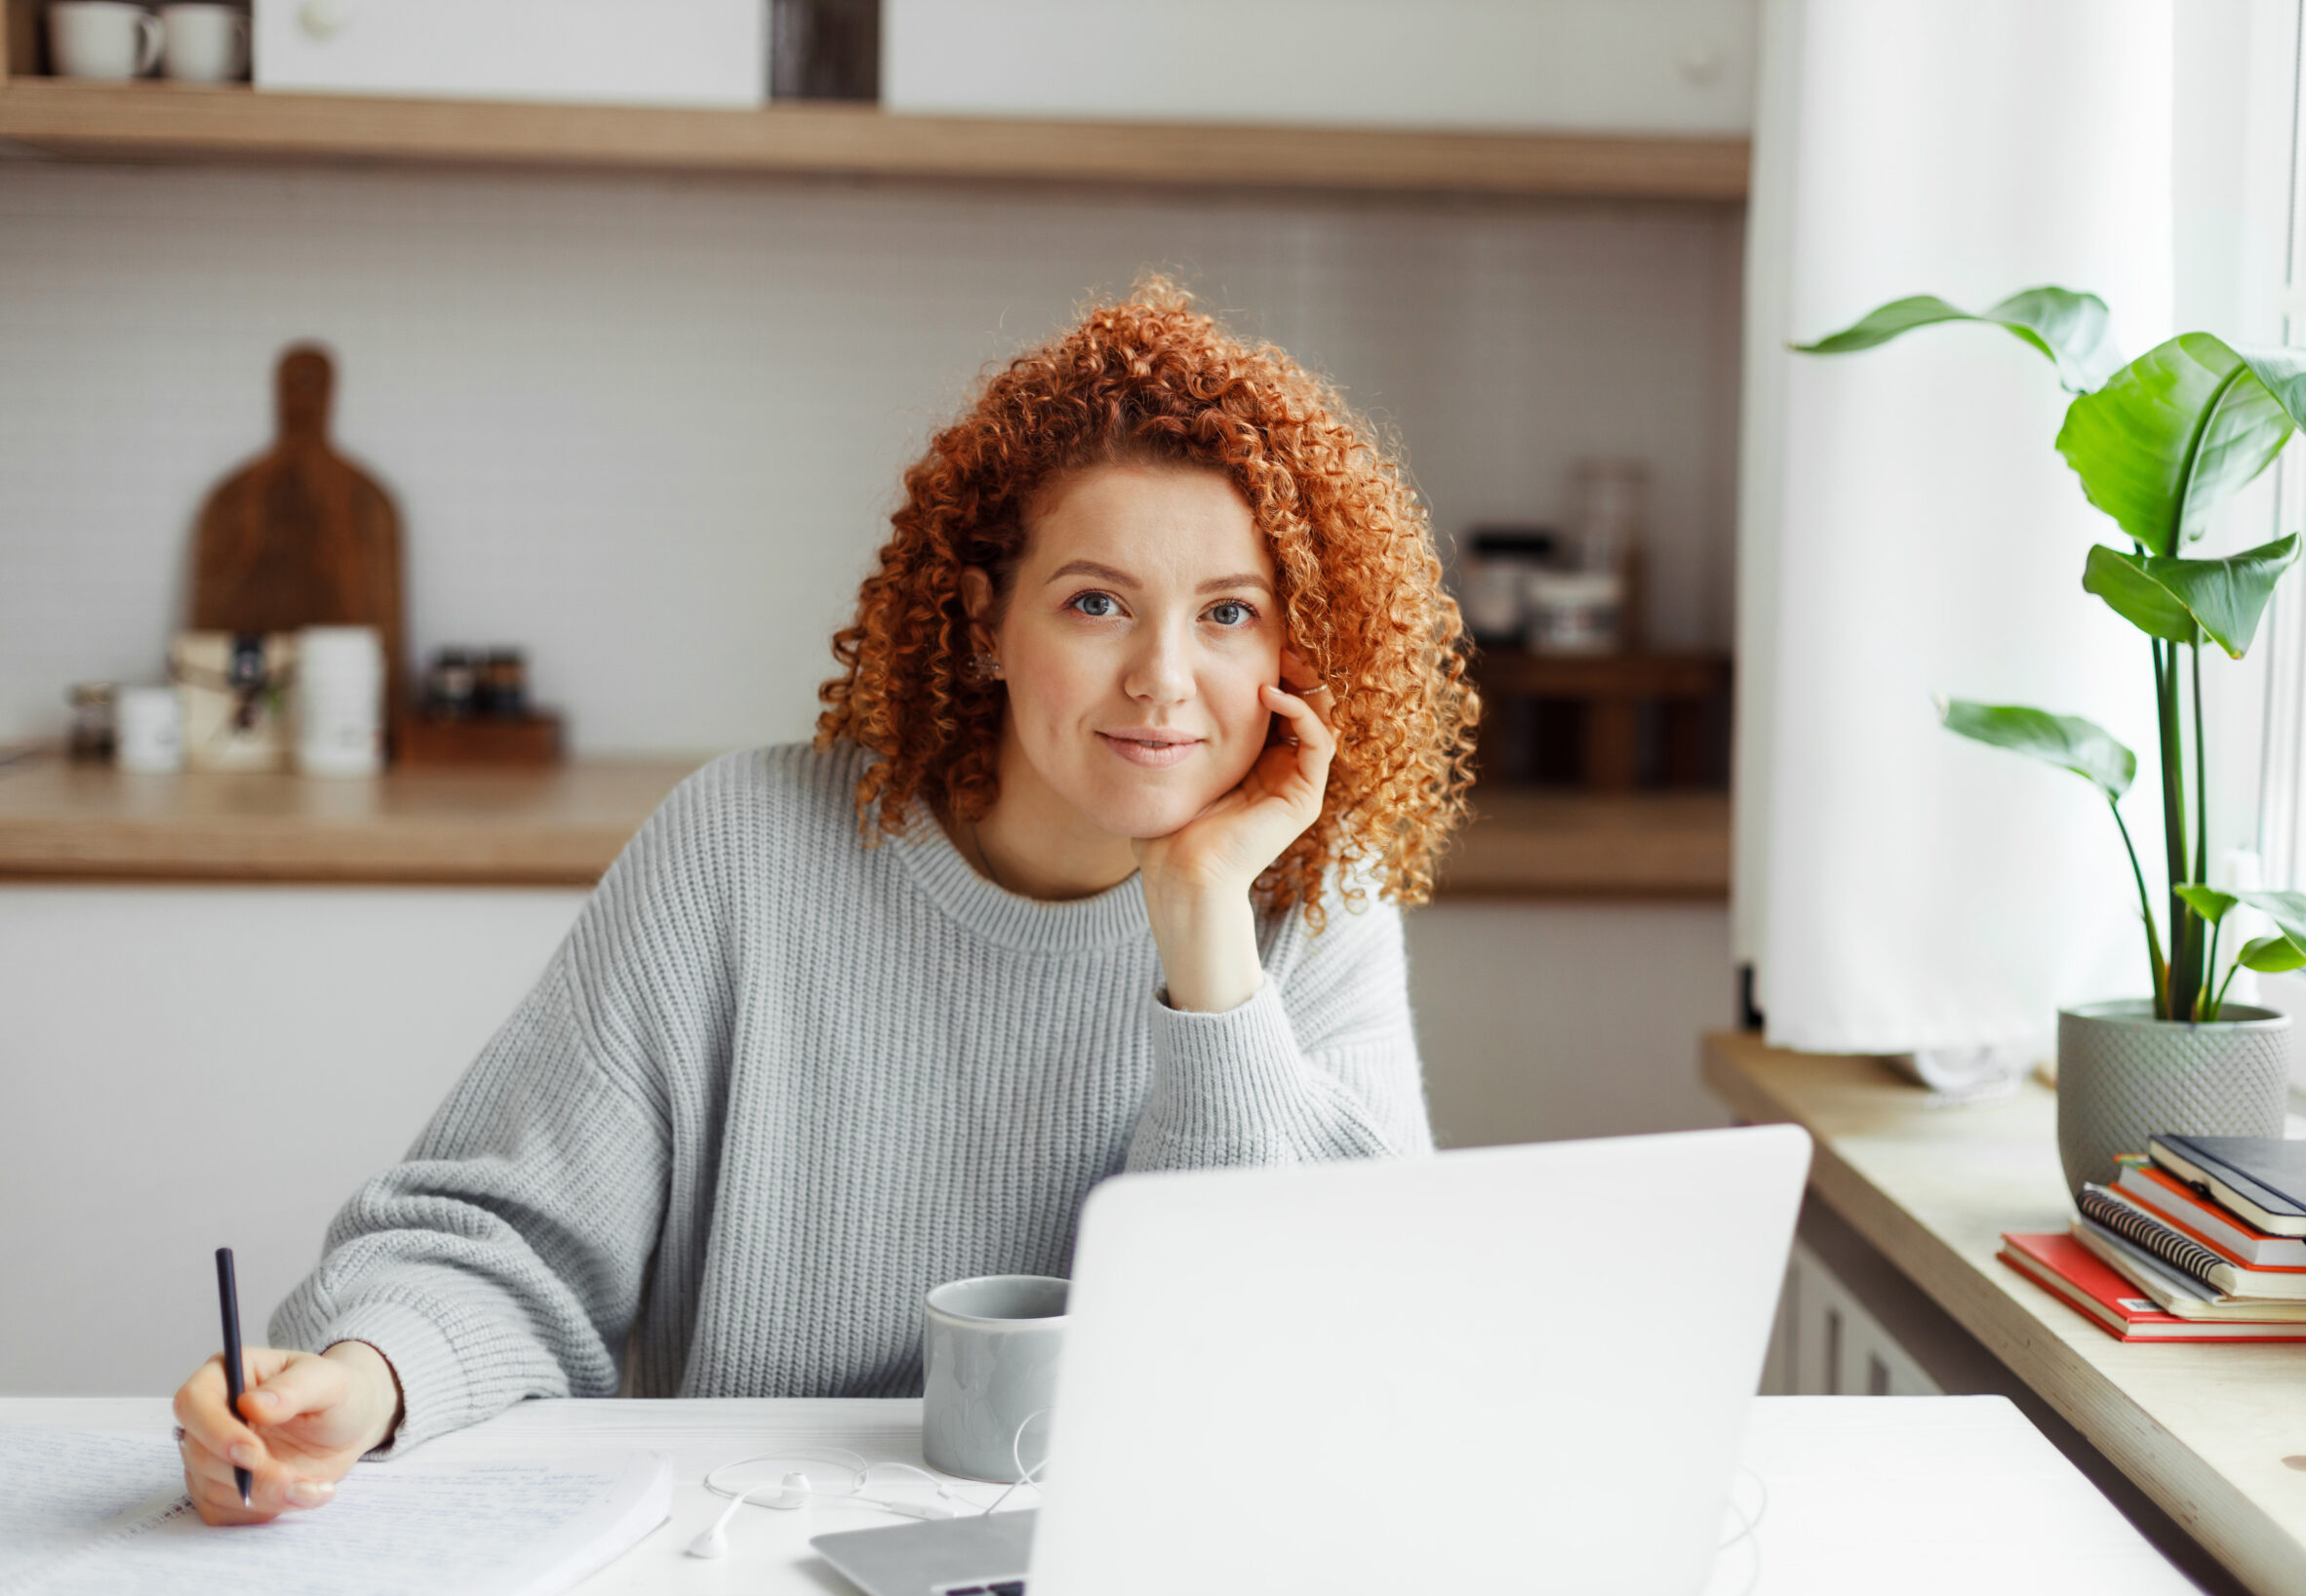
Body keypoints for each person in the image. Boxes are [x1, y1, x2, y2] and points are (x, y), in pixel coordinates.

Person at [170, 278, 1477, 1525]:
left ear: (1291, 648)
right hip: (759, 1548)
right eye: (1097, 603)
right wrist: (363, 1382)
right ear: (982, 625)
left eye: (1229, 614)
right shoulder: (743, 852)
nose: (1163, 677)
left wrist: (1206, 939)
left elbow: (1322, 1347)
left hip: (1137, 1571)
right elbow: (503, 1233)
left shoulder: (1312, 898)